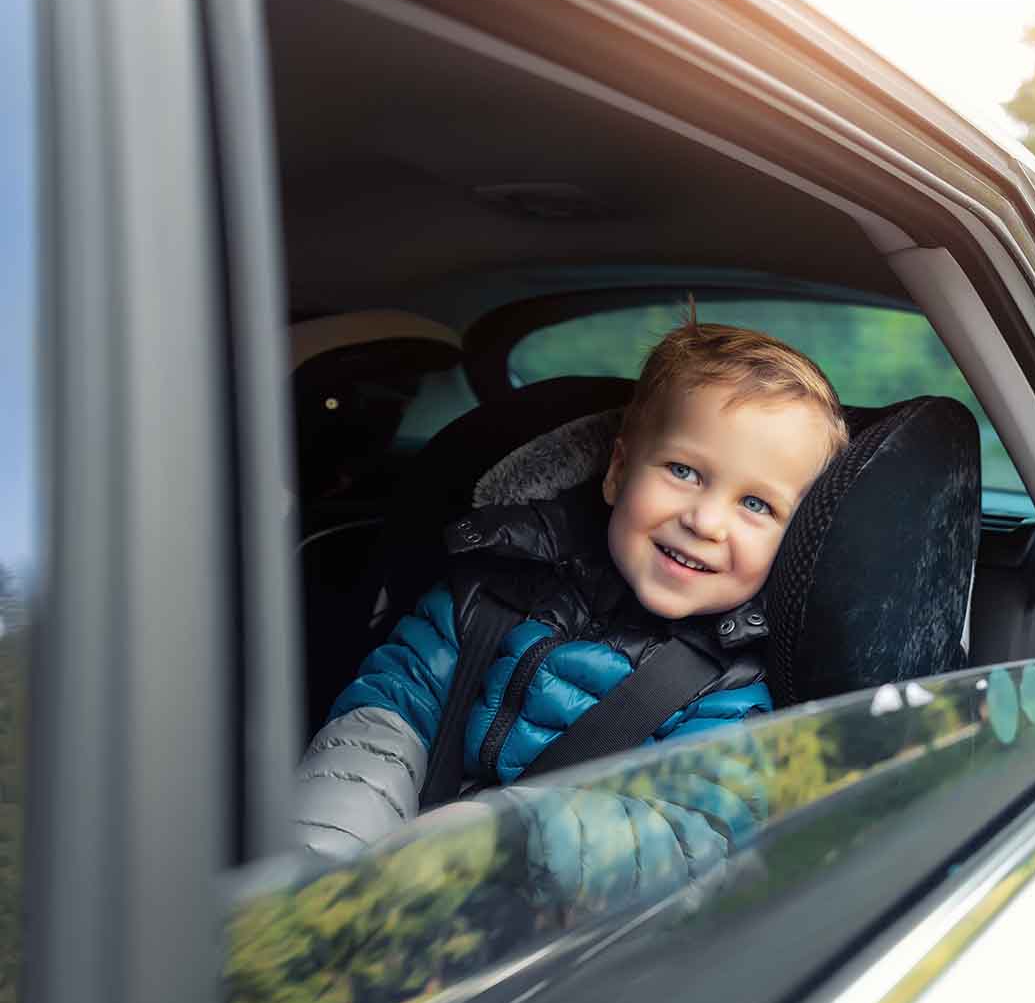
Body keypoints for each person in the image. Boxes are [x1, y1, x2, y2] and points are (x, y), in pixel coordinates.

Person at [291, 316, 849, 911]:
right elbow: (380, 725)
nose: (705, 521)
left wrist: (500, 838)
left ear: (792, 545)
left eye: (756, 504)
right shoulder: (486, 593)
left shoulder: (736, 696)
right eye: (683, 471)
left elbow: (688, 839)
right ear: (617, 472)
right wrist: (325, 866)